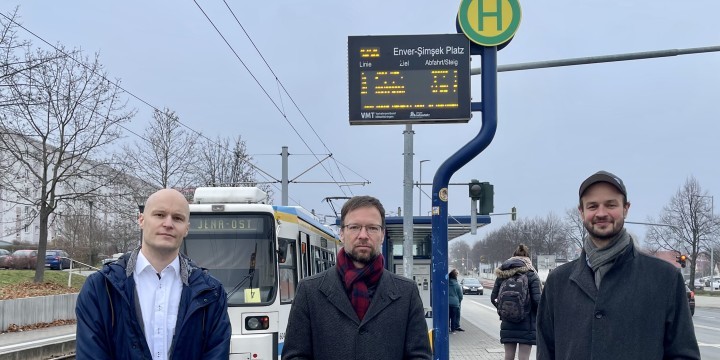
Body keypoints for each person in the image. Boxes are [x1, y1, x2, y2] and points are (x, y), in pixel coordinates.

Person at [537, 170, 700, 359]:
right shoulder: (558, 281)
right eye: (592, 206)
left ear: (626, 208)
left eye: (610, 205)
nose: (601, 213)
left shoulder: (665, 278)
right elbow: (546, 351)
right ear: (581, 212)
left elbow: (683, 354)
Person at [75, 189, 231, 360]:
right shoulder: (100, 289)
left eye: (177, 218)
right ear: (141, 219)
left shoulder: (212, 293)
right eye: (159, 214)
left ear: (186, 228)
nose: (168, 223)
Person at [282, 195, 432, 359]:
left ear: (382, 235)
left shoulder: (407, 292)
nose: (363, 235)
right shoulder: (309, 291)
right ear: (342, 233)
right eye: (354, 227)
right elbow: (295, 356)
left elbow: (420, 356)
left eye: (372, 228)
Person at [490, 244, 541, 360]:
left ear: (512, 258)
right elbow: (538, 302)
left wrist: (504, 310)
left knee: (508, 356)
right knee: (524, 357)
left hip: (508, 323)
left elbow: (493, 298)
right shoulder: (531, 275)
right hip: (527, 324)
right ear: (528, 258)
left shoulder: (502, 275)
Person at [448, 269, 464, 333]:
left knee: (448, 317)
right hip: (455, 303)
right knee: (454, 317)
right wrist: (458, 300)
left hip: (447, 303)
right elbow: (460, 295)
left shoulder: (446, 283)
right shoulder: (457, 285)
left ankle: (447, 328)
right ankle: (453, 329)